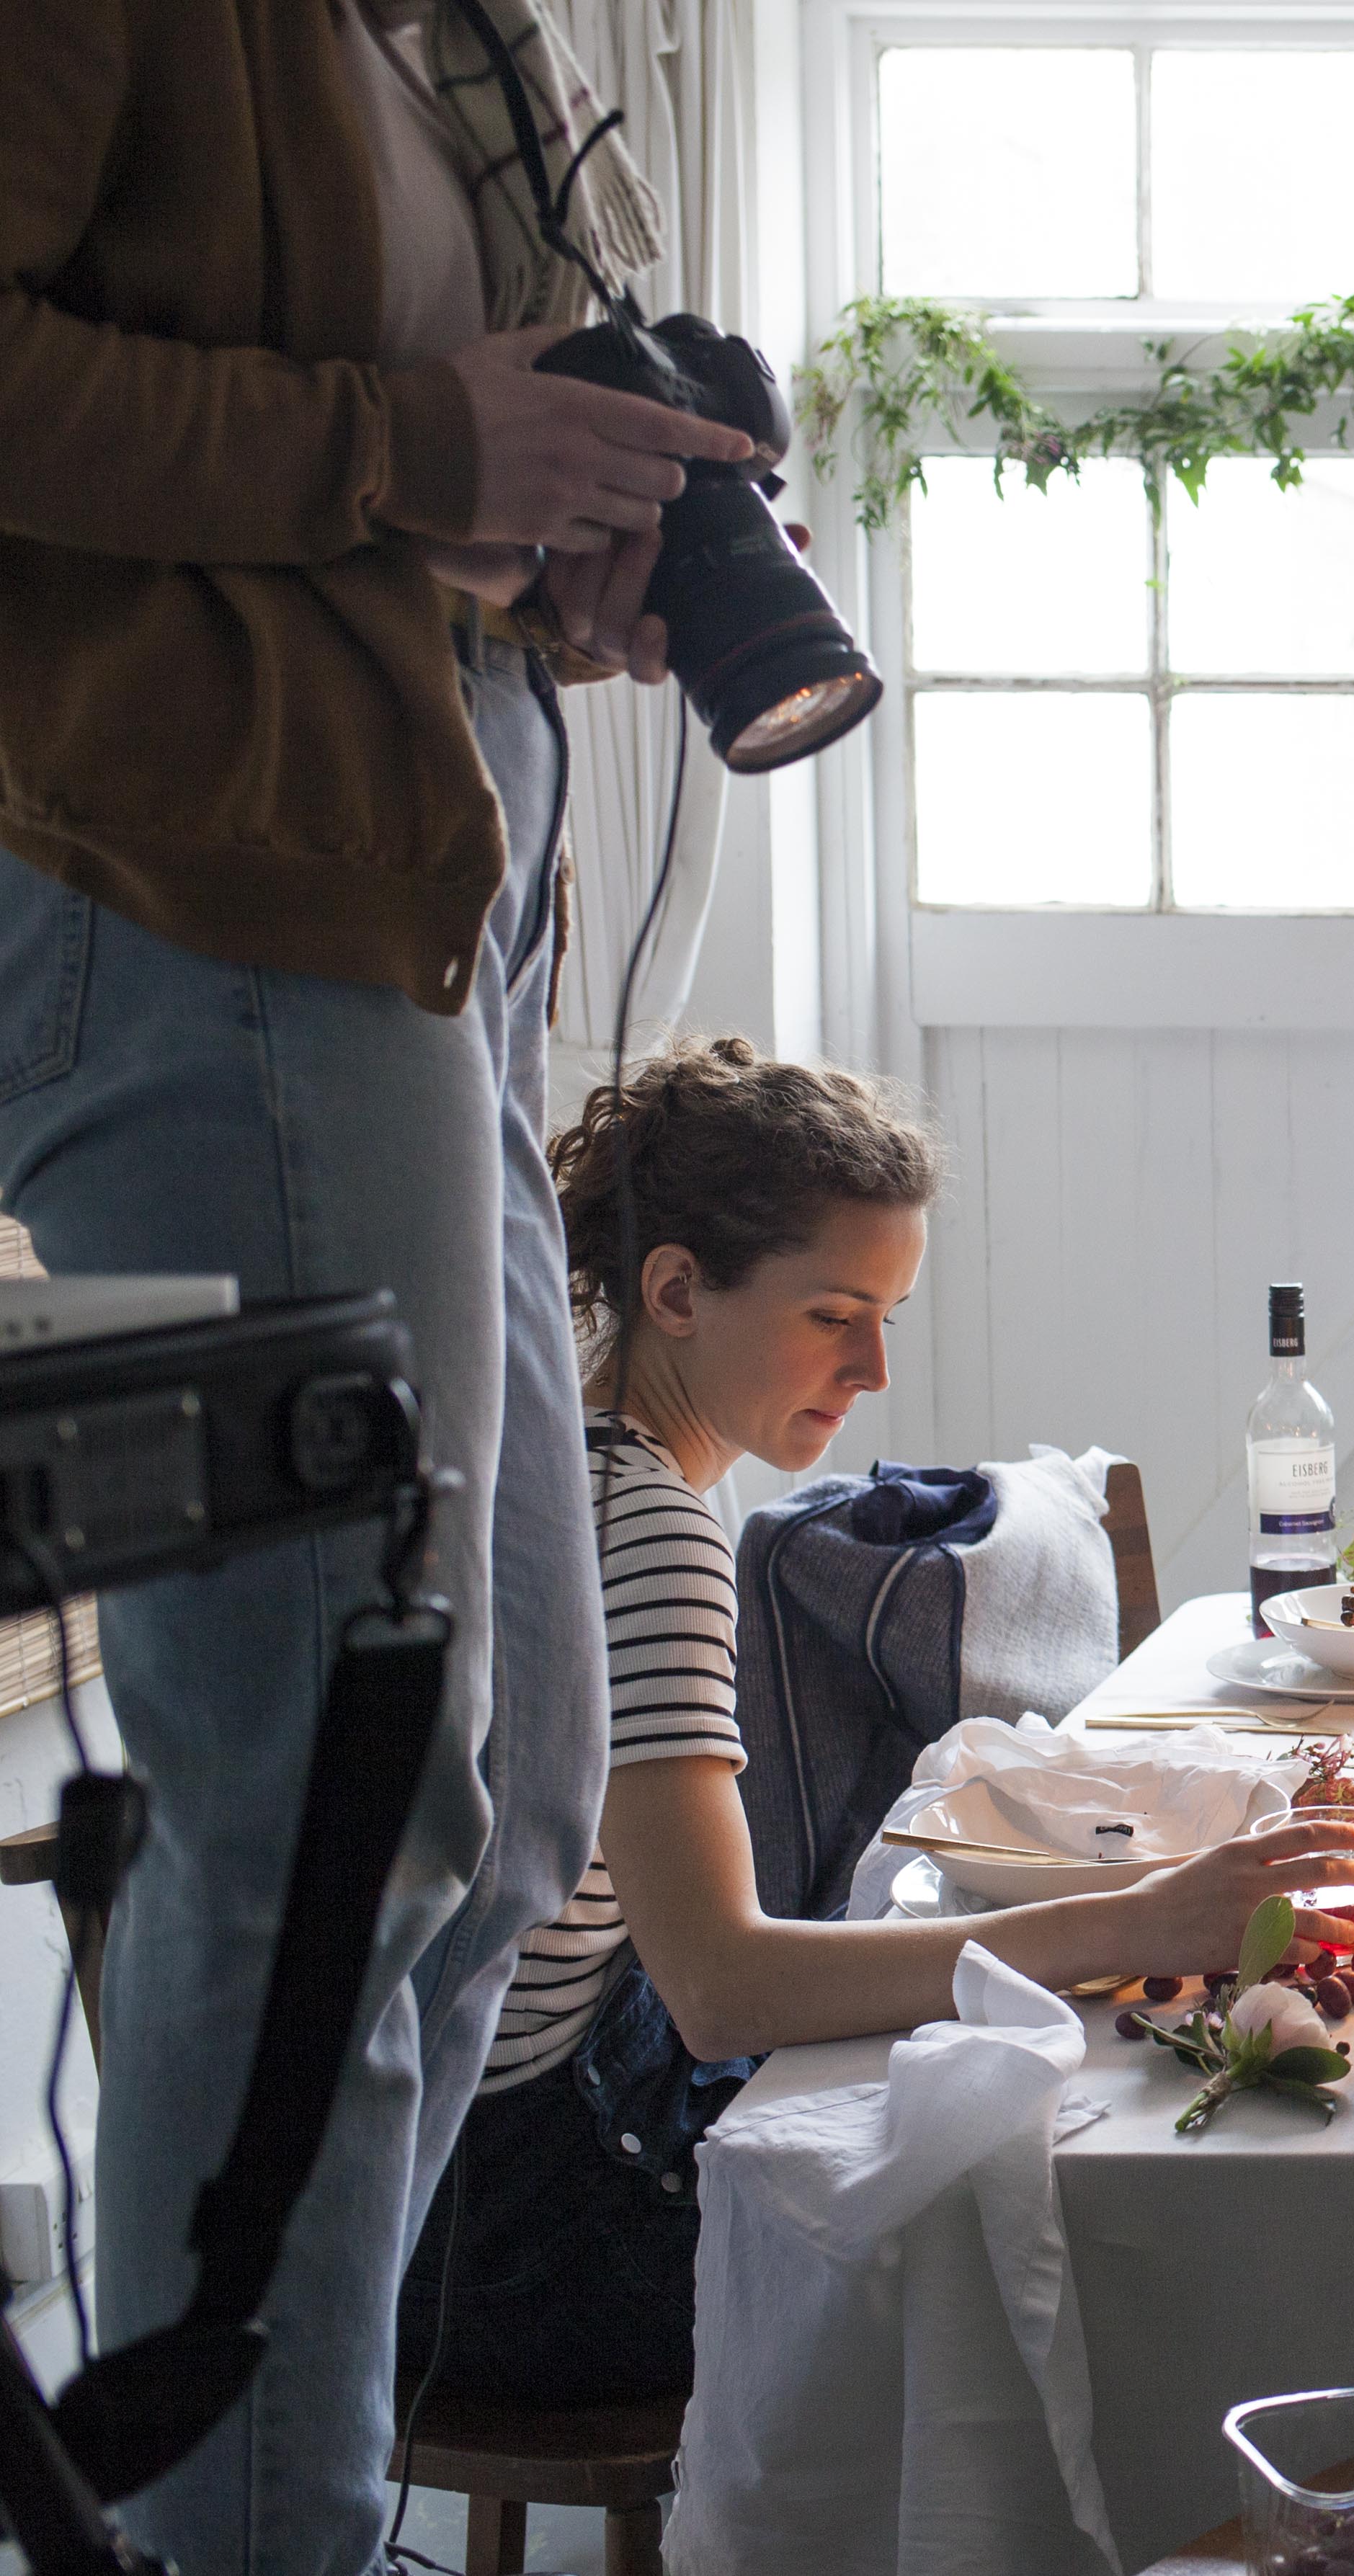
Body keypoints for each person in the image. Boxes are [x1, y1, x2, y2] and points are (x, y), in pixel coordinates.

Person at [1, 2, 761, 2562]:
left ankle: (266, 2514)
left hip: (426, 876)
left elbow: (351, 412)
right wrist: (399, 451)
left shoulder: (451, 24)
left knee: (510, 1788)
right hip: (210, 885)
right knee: (326, 1807)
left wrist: (551, 539)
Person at [396, 1038, 1354, 2403]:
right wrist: (1141, 1918)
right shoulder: (649, 1533)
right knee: (1056, 2251)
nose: (872, 1370)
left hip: (451, 2171)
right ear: (676, 1289)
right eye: (832, 1315)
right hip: (519, 2232)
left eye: (887, 1318)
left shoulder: (577, 1471)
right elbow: (723, 1987)